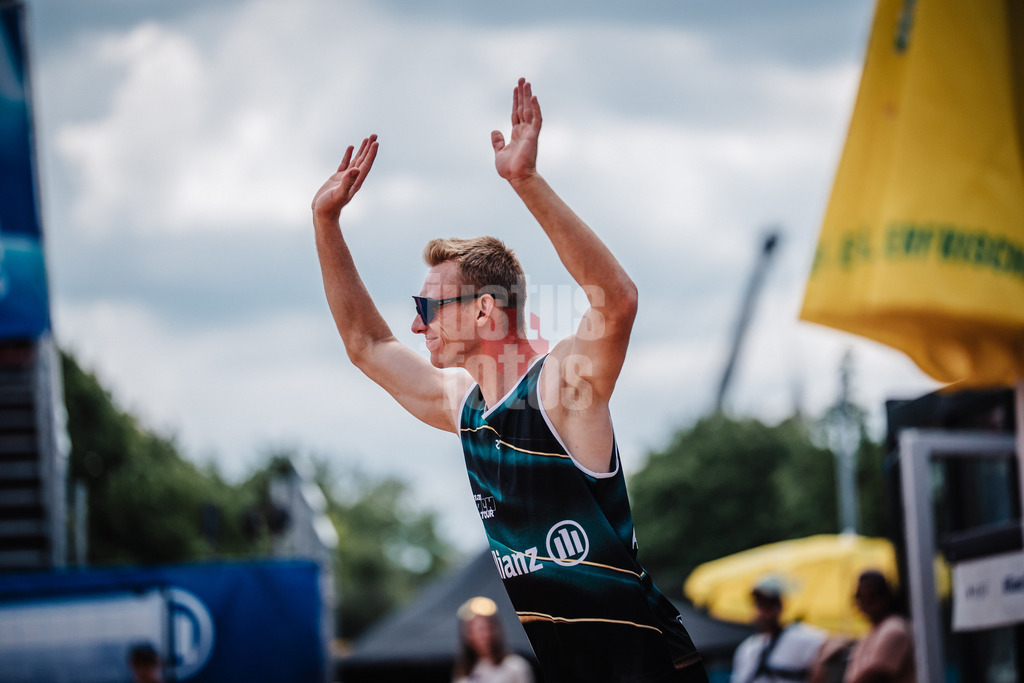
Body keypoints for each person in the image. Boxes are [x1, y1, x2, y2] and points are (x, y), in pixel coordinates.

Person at [312, 77, 706, 682]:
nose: (417, 326)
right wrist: (326, 221)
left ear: (484, 310)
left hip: (649, 667)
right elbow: (367, 345)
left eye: (427, 308)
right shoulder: (466, 409)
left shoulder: (557, 390)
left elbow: (618, 300)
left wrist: (526, 180)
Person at [730, 577, 827, 683]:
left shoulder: (800, 637)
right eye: (758, 604)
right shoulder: (747, 647)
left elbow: (832, 643)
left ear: (779, 607)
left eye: (768, 605)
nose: (762, 612)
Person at [843, 570, 914, 683]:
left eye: (871, 598)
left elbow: (875, 676)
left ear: (886, 597)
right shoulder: (873, 631)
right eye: (861, 598)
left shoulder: (894, 629)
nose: (865, 603)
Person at [453, 596, 534, 683]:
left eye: (488, 628)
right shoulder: (464, 674)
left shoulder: (515, 667)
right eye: (479, 630)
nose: (484, 635)